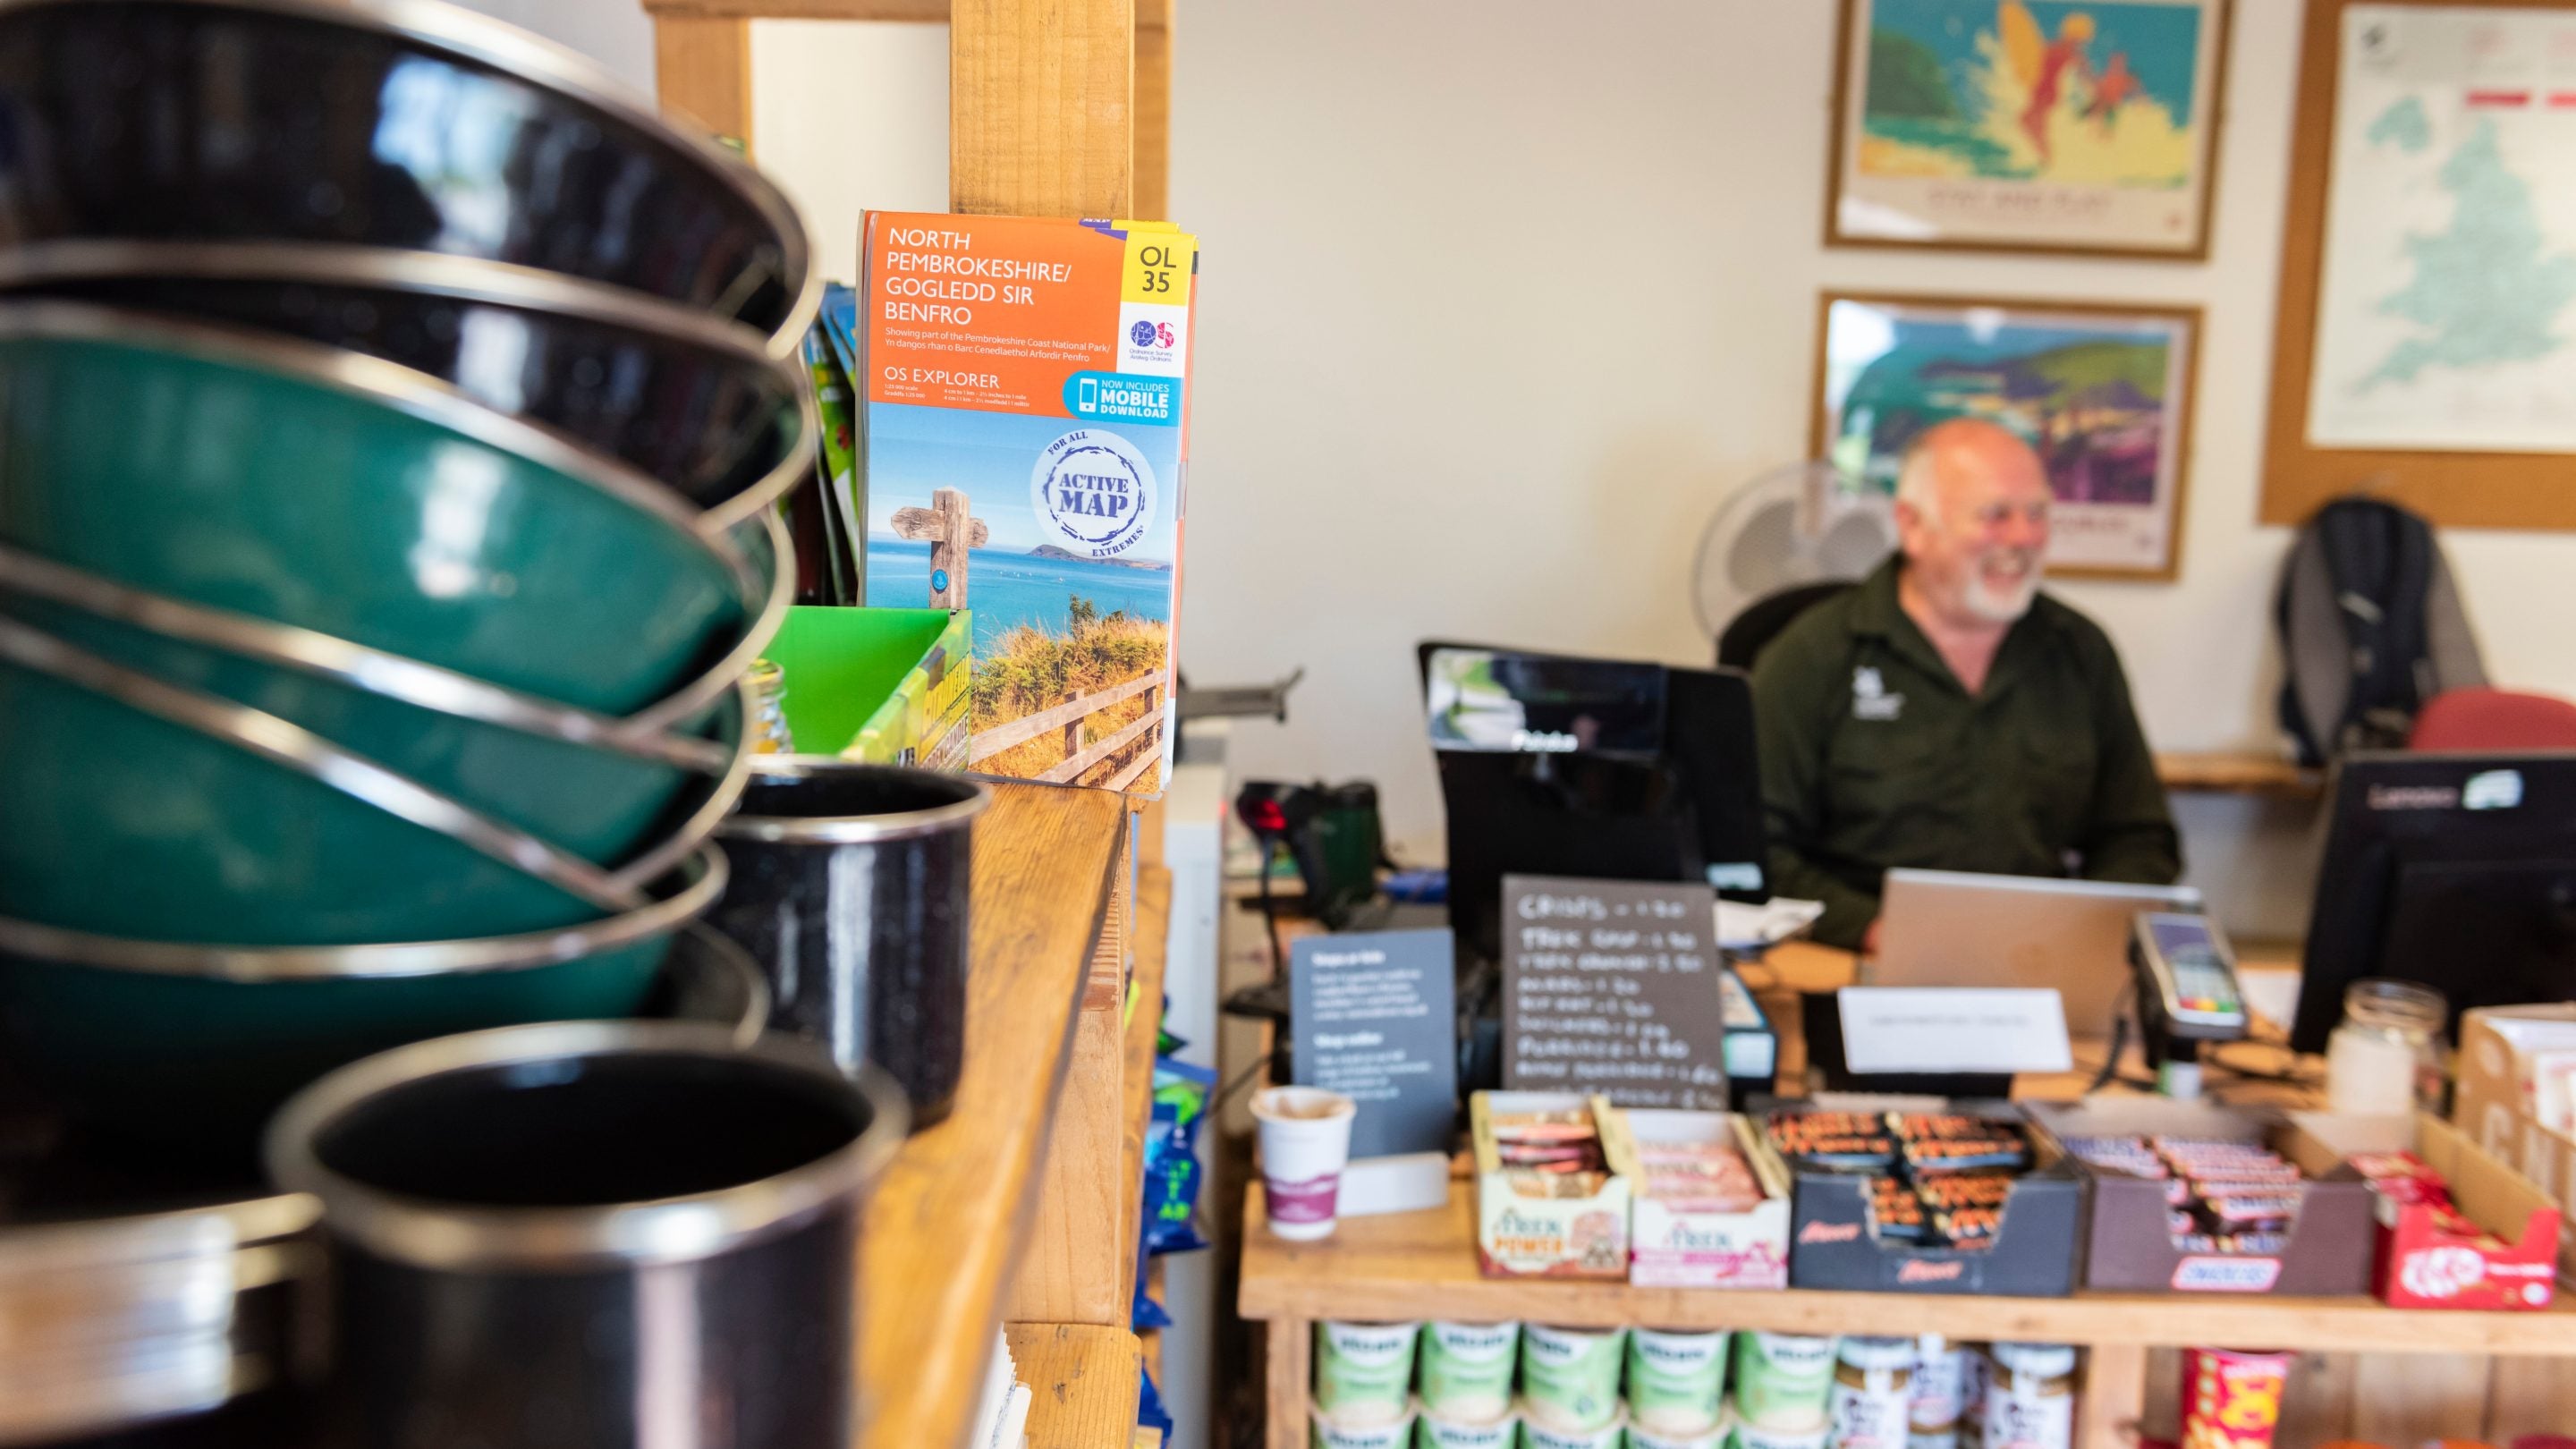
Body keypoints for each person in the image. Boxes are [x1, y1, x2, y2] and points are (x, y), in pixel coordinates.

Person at [1749, 419, 2181, 951]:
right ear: (1912, 526)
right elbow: (1755, 852)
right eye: (1995, 515)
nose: (2023, 537)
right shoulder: (1815, 654)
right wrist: (1874, 930)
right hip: (1855, 961)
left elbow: (2139, 837)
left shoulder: (2080, 651)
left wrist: (2084, 934)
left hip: (2035, 963)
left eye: (2038, 513)